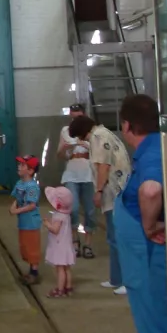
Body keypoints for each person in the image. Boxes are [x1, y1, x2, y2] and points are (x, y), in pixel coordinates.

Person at [115, 94, 167, 333]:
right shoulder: (156, 146)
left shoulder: (152, 151)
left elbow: (150, 190)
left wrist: (148, 226)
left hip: (146, 258)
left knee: (154, 319)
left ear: (126, 125)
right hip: (140, 260)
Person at [69, 114, 131, 295]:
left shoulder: (97, 137)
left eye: (81, 137)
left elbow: (103, 167)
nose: (82, 140)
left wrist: (98, 191)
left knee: (117, 237)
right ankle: (116, 278)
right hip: (117, 190)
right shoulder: (105, 133)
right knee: (112, 238)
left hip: (114, 192)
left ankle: (126, 281)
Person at [58, 103, 96, 258]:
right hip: (71, 173)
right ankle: (75, 239)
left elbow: (98, 151)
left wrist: (83, 144)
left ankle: (88, 243)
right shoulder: (66, 131)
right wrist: (66, 148)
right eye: (73, 114)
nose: (75, 116)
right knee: (72, 208)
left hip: (88, 173)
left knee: (90, 210)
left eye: (78, 114)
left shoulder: (92, 132)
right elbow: (59, 154)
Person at [9, 155, 42, 284]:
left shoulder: (33, 187)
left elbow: (32, 205)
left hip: (31, 223)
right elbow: (17, 198)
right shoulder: (19, 184)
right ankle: (30, 271)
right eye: (19, 164)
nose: (19, 167)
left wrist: (16, 211)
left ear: (30, 171)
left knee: (32, 246)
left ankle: (34, 272)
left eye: (22, 165)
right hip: (22, 222)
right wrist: (13, 207)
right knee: (25, 247)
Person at [43, 186, 76, 298]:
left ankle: (60, 289)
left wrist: (47, 224)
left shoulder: (58, 216)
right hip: (66, 245)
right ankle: (68, 287)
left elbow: (55, 230)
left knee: (60, 269)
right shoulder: (66, 214)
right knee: (67, 268)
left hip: (59, 245)